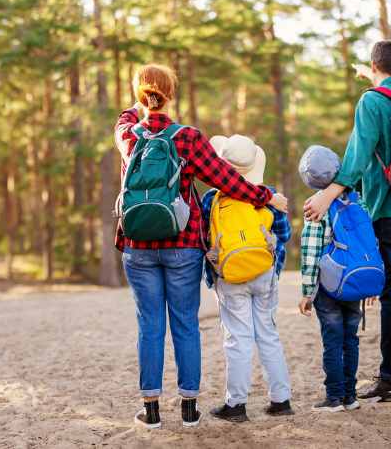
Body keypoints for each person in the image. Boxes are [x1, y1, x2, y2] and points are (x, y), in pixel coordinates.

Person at [115, 64, 288, 429]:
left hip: (137, 245)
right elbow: (228, 181)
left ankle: (150, 411)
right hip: (182, 244)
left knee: (149, 326)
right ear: (172, 94)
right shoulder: (189, 138)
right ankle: (189, 409)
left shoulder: (128, 135)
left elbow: (125, 117)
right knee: (185, 325)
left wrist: (140, 103)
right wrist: (266, 196)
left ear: (139, 94)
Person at [304, 40, 391, 402]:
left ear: (375, 68)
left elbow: (358, 155)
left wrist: (328, 193)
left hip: (390, 209)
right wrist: (374, 74)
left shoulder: (371, 101)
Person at [201, 134, 293, 423]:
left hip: (230, 275)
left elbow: (205, 240)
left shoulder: (211, 198)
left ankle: (237, 405)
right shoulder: (269, 195)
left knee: (237, 338)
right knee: (267, 333)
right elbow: (285, 235)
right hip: (264, 273)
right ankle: (281, 400)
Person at [297, 145, 362, 412]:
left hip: (329, 287)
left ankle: (334, 397)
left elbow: (311, 253)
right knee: (351, 339)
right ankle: (350, 396)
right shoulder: (358, 201)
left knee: (333, 341)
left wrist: (307, 292)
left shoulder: (316, 207)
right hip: (355, 282)